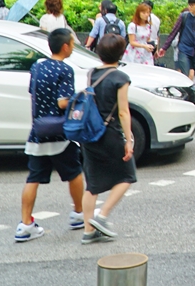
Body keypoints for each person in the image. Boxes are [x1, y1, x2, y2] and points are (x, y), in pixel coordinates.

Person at [16, 28, 84, 242]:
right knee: (74, 172)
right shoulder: (65, 69)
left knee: (33, 178)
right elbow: (63, 102)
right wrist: (79, 98)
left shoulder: (37, 66)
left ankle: (25, 224)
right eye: (72, 44)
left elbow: (33, 92)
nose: (72, 47)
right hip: (59, 133)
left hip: (38, 132)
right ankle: (79, 214)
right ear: (65, 46)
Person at [80, 34, 136, 244]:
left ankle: (88, 231)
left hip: (89, 133)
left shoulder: (91, 73)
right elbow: (123, 112)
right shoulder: (120, 78)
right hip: (109, 133)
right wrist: (129, 139)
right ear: (121, 54)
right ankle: (102, 216)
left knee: (92, 185)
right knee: (128, 176)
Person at [159, 0, 195, 105]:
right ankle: (186, 98)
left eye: (192, 5)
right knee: (185, 75)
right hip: (184, 49)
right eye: (189, 5)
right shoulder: (184, 16)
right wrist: (164, 47)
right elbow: (173, 32)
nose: (190, 7)